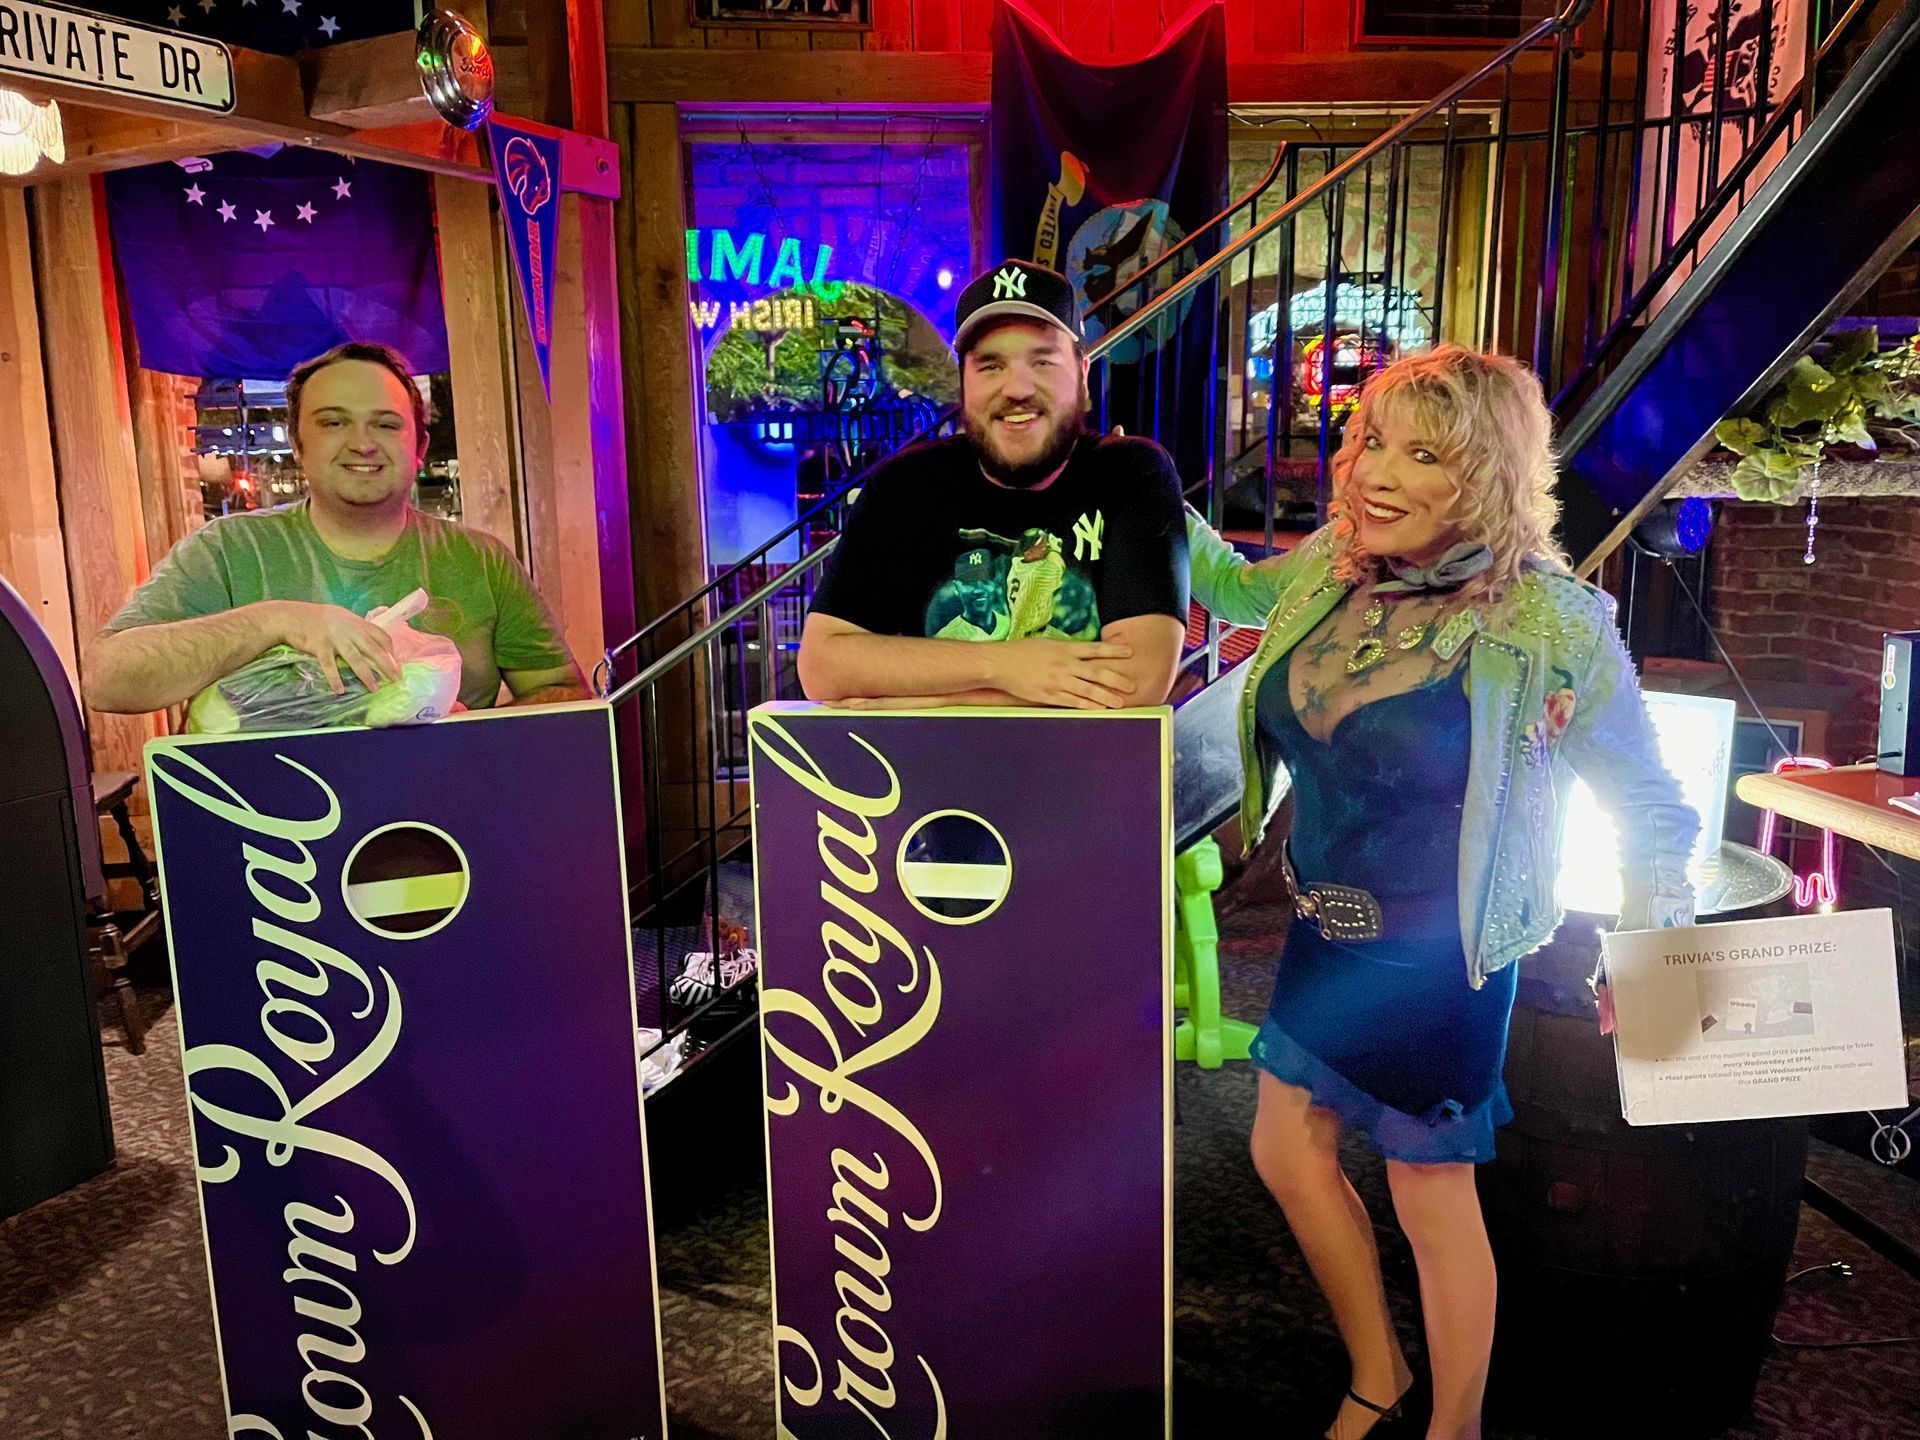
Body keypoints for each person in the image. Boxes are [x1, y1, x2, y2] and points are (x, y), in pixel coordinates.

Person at [1186, 346, 1697, 1440]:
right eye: (1371, 440)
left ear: (1488, 476)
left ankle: (1452, 1428)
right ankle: (1380, 1373)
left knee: (1429, 1192)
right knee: (1285, 1149)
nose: (1374, 472)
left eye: (1424, 455)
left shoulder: (1553, 620)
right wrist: (1131, 483)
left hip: (1444, 953)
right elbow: (1227, 584)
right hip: (1323, 929)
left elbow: (1652, 804)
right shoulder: (1331, 565)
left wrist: (1654, 944)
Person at [83, 341, 587, 718]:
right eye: (333, 422)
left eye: (385, 424)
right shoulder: (227, 551)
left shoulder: (481, 559)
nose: (362, 443)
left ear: (419, 447)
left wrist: (464, 729)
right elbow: (108, 681)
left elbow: (564, 696)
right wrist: (276, 621)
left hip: (442, 815)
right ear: (298, 444)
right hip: (272, 823)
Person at [798, 259, 1188, 710]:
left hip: (1079, 760)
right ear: (963, 383)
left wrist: (925, 699)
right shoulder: (905, 486)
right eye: (990, 366)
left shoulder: (1130, 473)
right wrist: (1003, 667)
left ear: (1082, 377)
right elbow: (823, 665)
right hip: (925, 759)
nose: (1017, 388)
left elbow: (1135, 683)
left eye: (1042, 361)